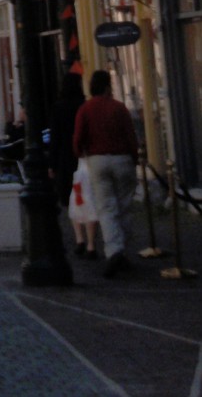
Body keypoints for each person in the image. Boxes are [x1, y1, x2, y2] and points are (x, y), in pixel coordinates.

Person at [73, 69, 139, 277]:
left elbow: (78, 138)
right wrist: (133, 157)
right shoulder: (119, 108)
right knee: (124, 206)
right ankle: (122, 250)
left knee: (106, 208)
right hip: (121, 158)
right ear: (108, 86)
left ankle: (114, 251)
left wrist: (81, 153)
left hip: (97, 160)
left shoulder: (85, 109)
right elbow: (130, 136)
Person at [49, 72, 97, 259]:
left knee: (72, 198)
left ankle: (79, 239)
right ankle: (92, 243)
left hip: (65, 159)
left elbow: (55, 139)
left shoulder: (58, 108)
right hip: (85, 157)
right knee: (89, 197)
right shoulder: (85, 106)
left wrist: (51, 164)